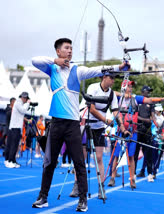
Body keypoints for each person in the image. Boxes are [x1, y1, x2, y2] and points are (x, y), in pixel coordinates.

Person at [31, 38, 128, 212]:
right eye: (66, 48)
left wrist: (119, 67)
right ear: (58, 51)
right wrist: (56, 61)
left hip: (73, 125)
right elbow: (34, 60)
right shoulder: (52, 68)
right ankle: (43, 197)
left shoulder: (78, 70)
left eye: (71, 48)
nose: (70, 51)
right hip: (56, 123)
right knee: (49, 162)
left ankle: (83, 200)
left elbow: (98, 69)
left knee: (79, 162)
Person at [69, 72, 129, 200]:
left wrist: (123, 128)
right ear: (104, 77)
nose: (113, 81)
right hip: (85, 124)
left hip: (99, 128)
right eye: (111, 78)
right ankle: (77, 186)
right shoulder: (93, 88)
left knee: (99, 158)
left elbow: (115, 112)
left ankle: (101, 188)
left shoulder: (112, 94)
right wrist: (105, 120)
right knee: (82, 157)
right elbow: (92, 109)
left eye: (114, 79)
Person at [108, 80, 164, 188]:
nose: (130, 88)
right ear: (124, 87)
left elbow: (149, 100)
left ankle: (132, 179)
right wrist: (122, 94)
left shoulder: (135, 99)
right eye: (128, 86)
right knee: (116, 155)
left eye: (131, 87)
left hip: (132, 132)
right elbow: (110, 92)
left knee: (131, 156)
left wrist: (162, 99)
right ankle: (112, 177)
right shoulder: (118, 98)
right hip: (120, 132)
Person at [134, 85, 156, 182]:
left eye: (149, 91)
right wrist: (144, 119)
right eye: (147, 91)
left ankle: (150, 174)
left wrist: (154, 122)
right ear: (143, 92)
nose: (148, 93)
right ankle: (133, 173)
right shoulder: (137, 101)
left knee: (149, 154)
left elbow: (153, 117)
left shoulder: (150, 103)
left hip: (147, 131)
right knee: (135, 153)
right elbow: (134, 116)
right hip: (138, 130)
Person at [5, 92, 31, 168]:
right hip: (14, 128)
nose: (26, 100)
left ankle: (13, 160)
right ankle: (10, 161)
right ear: (23, 98)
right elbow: (23, 110)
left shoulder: (20, 103)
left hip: (16, 127)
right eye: (26, 99)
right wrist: (28, 104)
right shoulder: (18, 103)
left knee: (15, 145)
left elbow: (22, 114)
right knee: (13, 145)